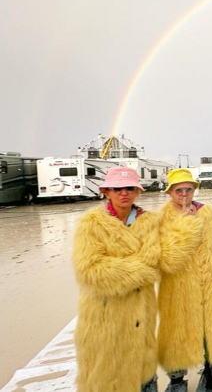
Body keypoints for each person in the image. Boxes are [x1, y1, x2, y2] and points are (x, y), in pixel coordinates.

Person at [72, 166, 161, 392]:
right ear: (106, 192)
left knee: (143, 370)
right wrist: (142, 271)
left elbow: (157, 259)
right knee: (107, 372)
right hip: (105, 313)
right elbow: (90, 269)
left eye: (130, 188)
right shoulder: (91, 224)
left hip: (142, 311)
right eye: (118, 188)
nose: (124, 193)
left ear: (138, 192)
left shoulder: (151, 222)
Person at [158, 169, 212, 392]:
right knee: (177, 334)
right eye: (179, 190)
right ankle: (177, 379)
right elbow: (165, 257)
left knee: (210, 330)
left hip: (208, 283)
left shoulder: (207, 213)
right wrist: (187, 224)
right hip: (177, 287)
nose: (184, 194)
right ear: (170, 192)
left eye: (188, 189)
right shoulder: (162, 218)